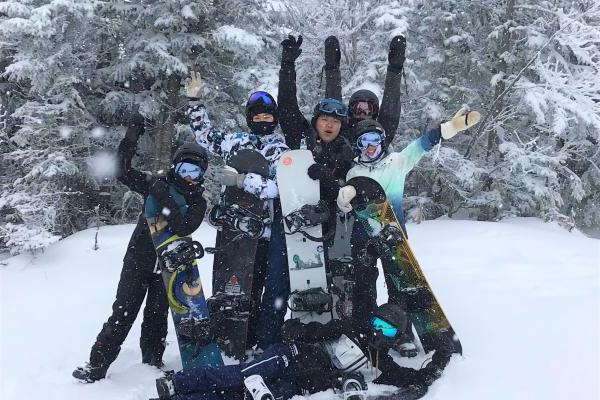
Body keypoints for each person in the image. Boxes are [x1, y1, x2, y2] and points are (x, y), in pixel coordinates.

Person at [73, 116, 210, 383]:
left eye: (195, 173)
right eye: (184, 169)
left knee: (157, 318)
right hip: (139, 260)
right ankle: (96, 365)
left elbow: (183, 227)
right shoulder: (155, 183)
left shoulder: (197, 202)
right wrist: (132, 134)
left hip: (169, 267)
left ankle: (152, 362)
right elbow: (121, 171)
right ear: (175, 166)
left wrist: (163, 197)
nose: (189, 177)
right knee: (123, 313)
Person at [335, 109, 481, 354]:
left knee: (399, 286)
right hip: (363, 238)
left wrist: (450, 128)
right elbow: (347, 203)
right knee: (364, 286)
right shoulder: (353, 172)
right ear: (358, 146)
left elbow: (422, 144)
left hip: (394, 235)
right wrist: (343, 199)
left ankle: (401, 334)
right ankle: (367, 330)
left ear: (382, 142)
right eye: (363, 142)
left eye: (374, 141)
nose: (369, 147)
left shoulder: (397, 162)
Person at [185, 72, 290, 351]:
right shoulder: (234, 141)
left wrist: (245, 181)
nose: (263, 120)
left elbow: (280, 188)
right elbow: (206, 137)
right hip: (234, 230)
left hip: (265, 232)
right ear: (249, 117)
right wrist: (194, 102)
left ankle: (258, 339)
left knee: (264, 288)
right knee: (237, 286)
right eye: (258, 116)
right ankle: (230, 336)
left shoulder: (281, 151)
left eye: (268, 116)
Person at [152, 303, 452, 400]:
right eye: (376, 322)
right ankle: (177, 383)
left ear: (394, 337)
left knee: (242, 395)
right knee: (238, 375)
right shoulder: (348, 329)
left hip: (302, 382)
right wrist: (295, 330)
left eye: (385, 330)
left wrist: (441, 355)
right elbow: (311, 331)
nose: (376, 331)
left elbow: (417, 379)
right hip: (289, 356)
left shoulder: (382, 363)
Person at [277, 35, 355, 242]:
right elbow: (286, 106)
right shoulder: (301, 135)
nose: (330, 125)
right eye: (325, 120)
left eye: (335, 122)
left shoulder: (345, 148)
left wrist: (327, 179)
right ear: (315, 121)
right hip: (293, 214)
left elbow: (347, 187)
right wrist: (287, 66)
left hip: (332, 223)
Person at [323, 35, 406, 146]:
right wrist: (331, 68)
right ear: (350, 110)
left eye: (367, 109)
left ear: (375, 112)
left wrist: (395, 69)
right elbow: (333, 105)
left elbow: (390, 110)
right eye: (358, 108)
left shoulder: (380, 135)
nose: (362, 113)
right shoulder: (339, 132)